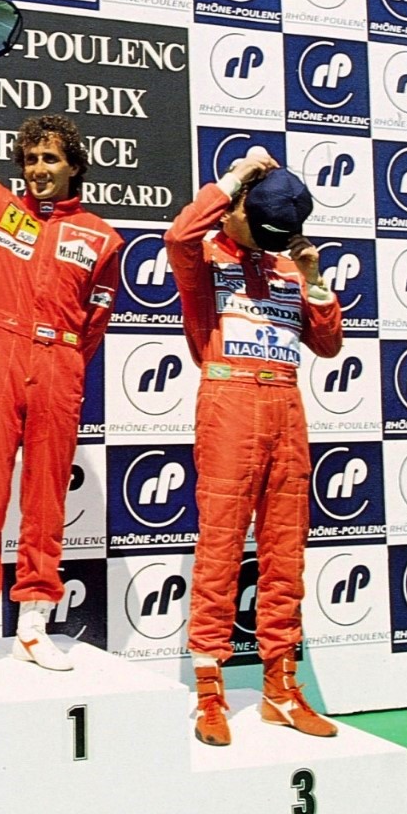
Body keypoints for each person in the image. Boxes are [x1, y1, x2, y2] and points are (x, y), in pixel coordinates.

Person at [0, 40, 122, 678]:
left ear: (74, 167)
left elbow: (96, 319)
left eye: (51, 159)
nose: (39, 168)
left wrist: (62, 359)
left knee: (44, 496)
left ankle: (35, 619)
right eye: (31, 158)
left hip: (61, 364)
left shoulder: (102, 236)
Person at [165, 149, 342, 747]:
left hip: (287, 405)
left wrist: (314, 279)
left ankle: (282, 690)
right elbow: (180, 230)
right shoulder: (205, 252)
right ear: (237, 207)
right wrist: (240, 173)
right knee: (219, 547)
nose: (269, 240)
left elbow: (328, 345)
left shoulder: (289, 267)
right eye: (258, 223)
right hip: (228, 400)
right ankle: (209, 692)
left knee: (286, 552)